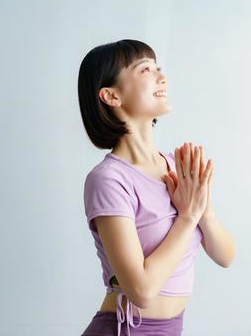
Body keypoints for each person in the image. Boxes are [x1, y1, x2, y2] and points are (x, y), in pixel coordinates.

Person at [77, 39, 235, 336]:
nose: (161, 76)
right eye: (145, 69)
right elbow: (142, 290)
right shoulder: (109, 180)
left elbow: (225, 256)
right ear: (111, 95)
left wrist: (203, 211)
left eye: (158, 67)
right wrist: (187, 217)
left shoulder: (177, 165)